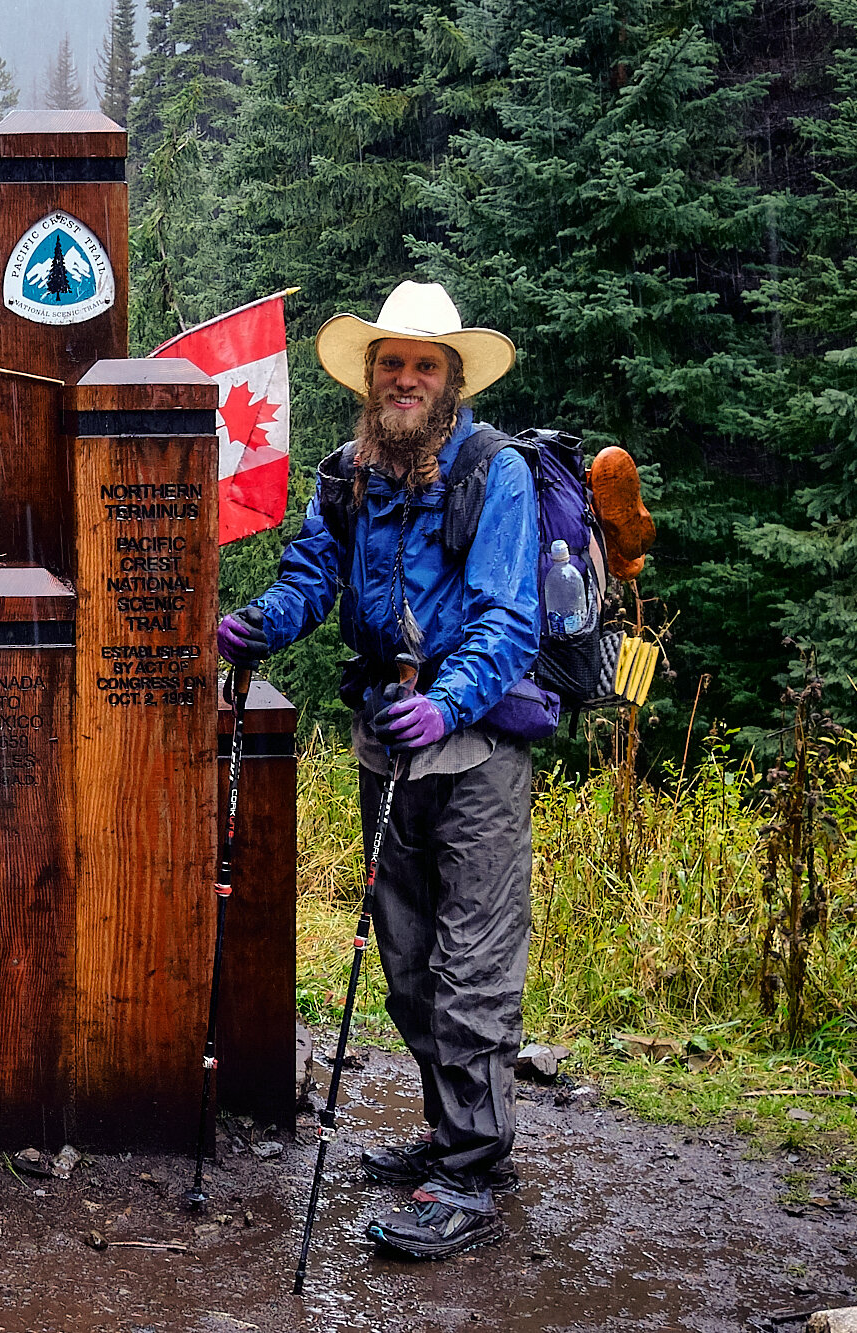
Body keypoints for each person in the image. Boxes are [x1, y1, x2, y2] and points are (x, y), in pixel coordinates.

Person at [216, 281, 538, 1260]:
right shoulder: (346, 473)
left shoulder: (496, 474)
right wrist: (261, 623)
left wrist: (445, 699)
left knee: (468, 969)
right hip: (382, 747)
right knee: (402, 965)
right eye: (389, 362)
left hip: (472, 753)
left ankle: (470, 1174)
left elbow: (507, 616)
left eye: (422, 364)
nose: (403, 378)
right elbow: (314, 574)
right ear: (370, 376)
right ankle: (454, 1131)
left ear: (448, 381)